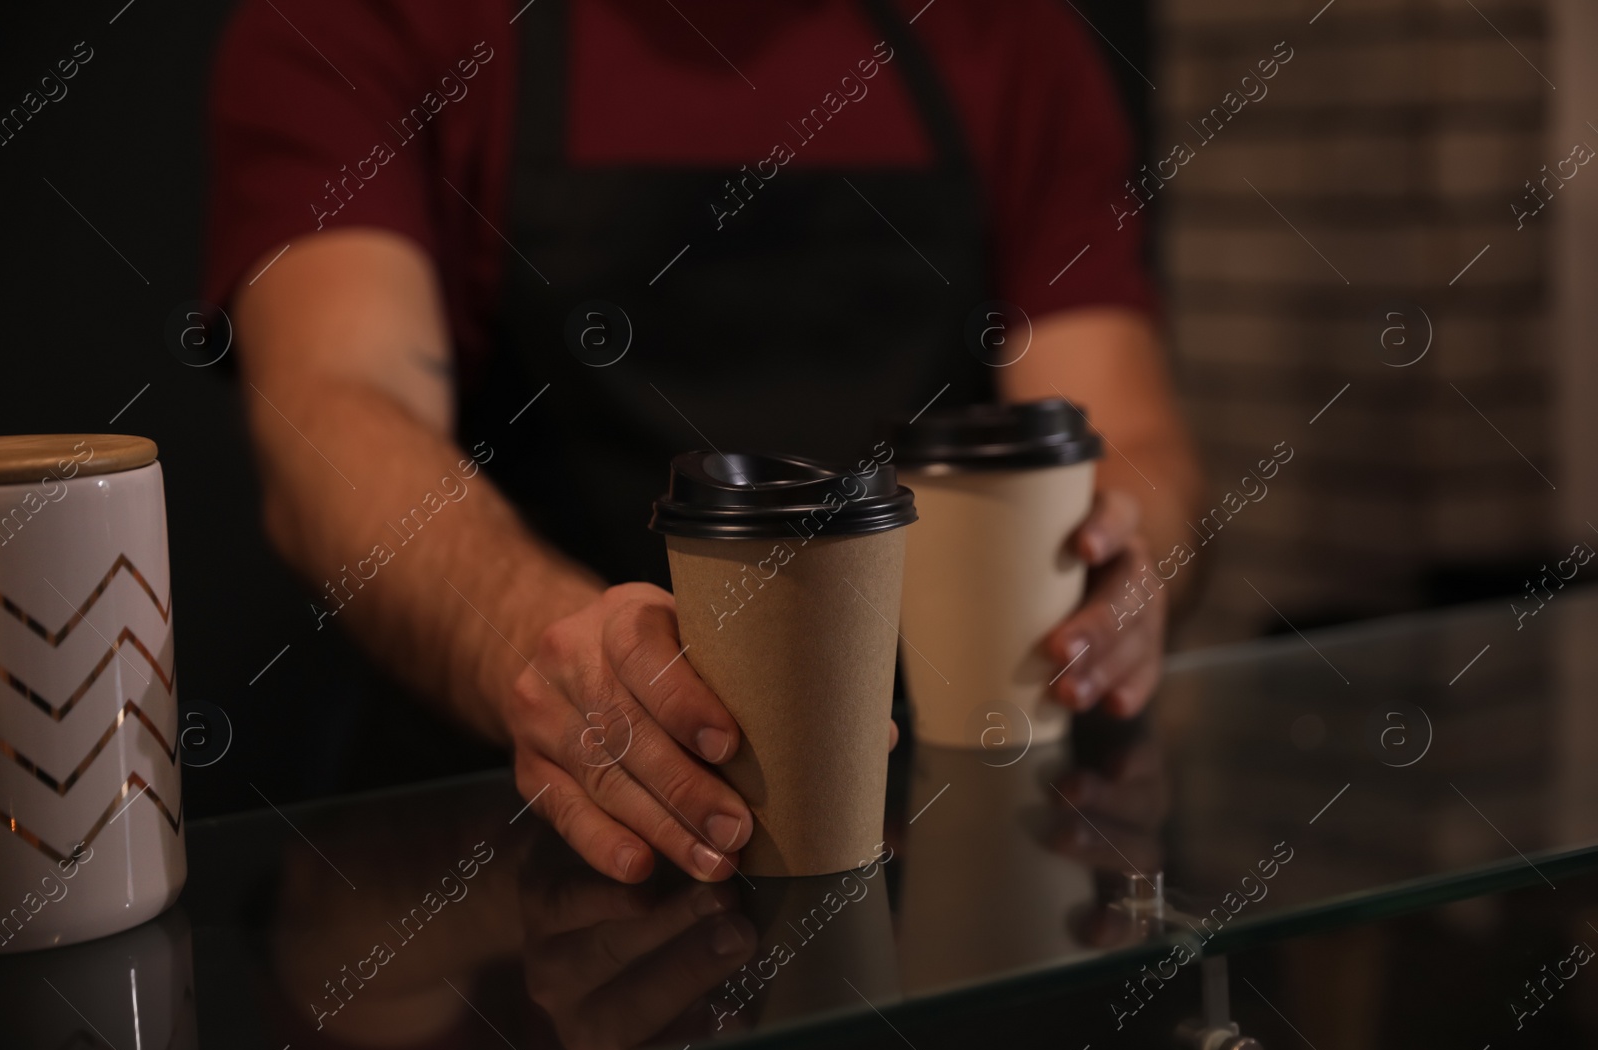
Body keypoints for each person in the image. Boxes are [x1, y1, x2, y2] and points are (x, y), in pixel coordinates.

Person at [206, 0, 1203, 886]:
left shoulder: (1003, 32)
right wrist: (551, 654)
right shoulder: (362, 20)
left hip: (938, 829)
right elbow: (333, 411)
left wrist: (1125, 561)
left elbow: (1129, 438)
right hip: (498, 851)